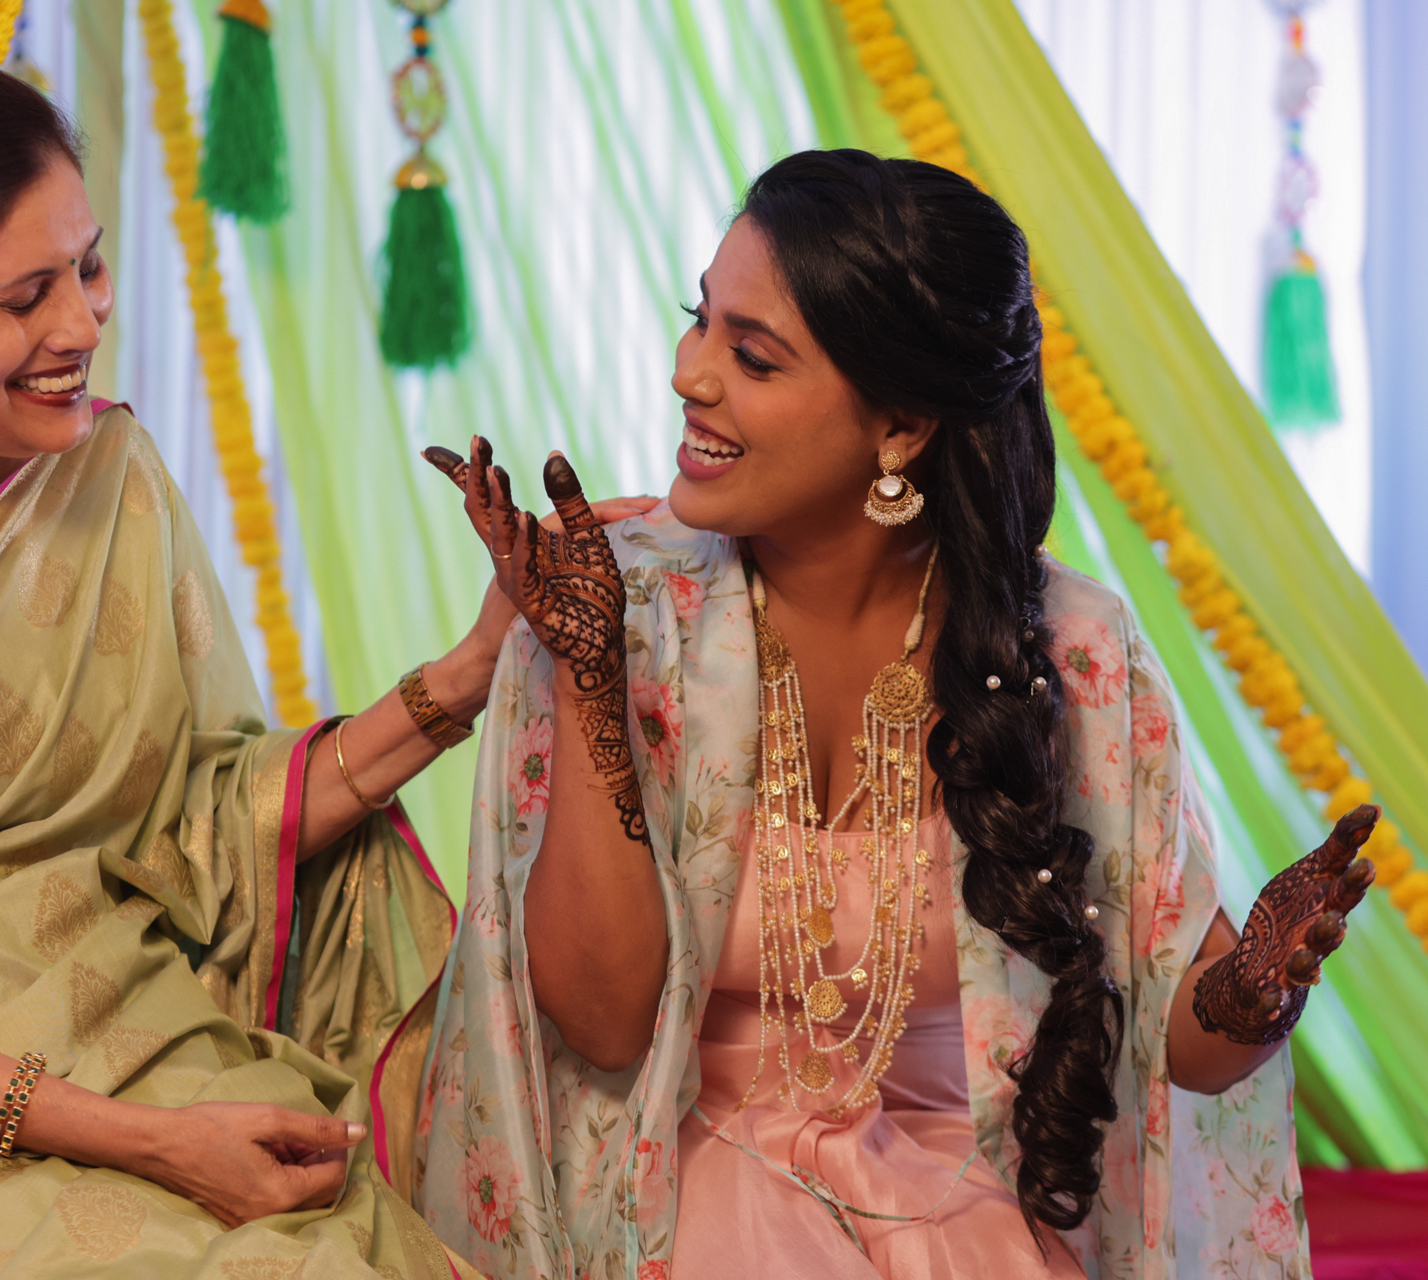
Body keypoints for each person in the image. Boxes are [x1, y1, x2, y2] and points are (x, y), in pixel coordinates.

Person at [0, 57, 651, 1278]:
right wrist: (156, 1143)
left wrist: (474, 665)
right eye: (25, 296)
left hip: (88, 1017)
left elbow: (190, 835)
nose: (83, 326)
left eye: (86, 268)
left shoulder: (93, 476)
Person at [414, 149, 1375, 1279]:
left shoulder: (1069, 649)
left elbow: (1183, 1041)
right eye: (698, 321)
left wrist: (1258, 988)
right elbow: (601, 1021)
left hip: (949, 1193)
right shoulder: (614, 603)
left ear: (902, 427)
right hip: (664, 1185)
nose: (689, 374)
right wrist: (588, 680)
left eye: (751, 355)